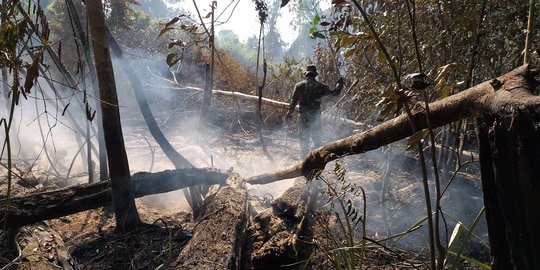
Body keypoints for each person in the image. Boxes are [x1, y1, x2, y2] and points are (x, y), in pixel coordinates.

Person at [285, 65, 344, 157]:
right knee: (317, 140)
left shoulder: (299, 86)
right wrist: (340, 83)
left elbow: (293, 102)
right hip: (315, 118)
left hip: (303, 117)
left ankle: (304, 161)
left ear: (306, 74)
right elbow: (335, 93)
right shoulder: (320, 86)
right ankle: (317, 160)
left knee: (304, 139)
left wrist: (289, 114)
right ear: (315, 74)